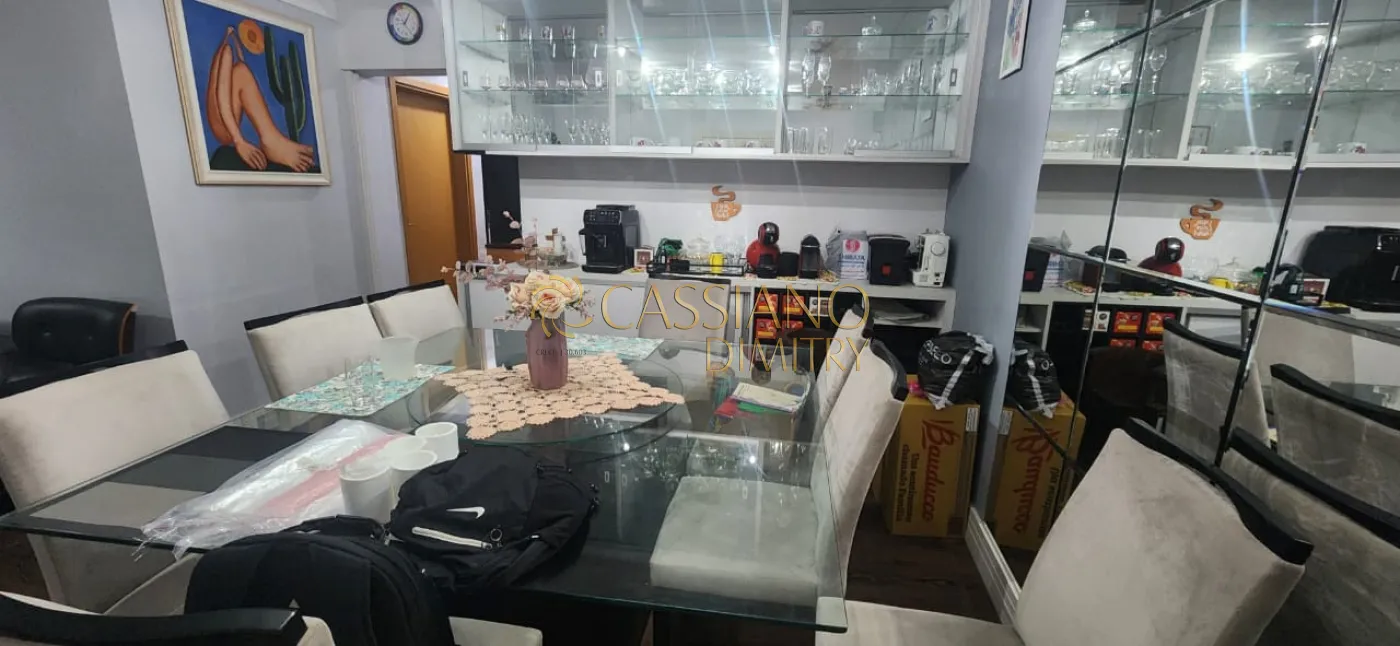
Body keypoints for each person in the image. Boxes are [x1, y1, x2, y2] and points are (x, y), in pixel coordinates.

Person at [205, 21, 315, 172]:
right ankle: (271, 140)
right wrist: (239, 142)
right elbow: (222, 97)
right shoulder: (228, 50)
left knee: (242, 71)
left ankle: (272, 139)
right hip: (224, 126)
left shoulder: (233, 46)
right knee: (242, 71)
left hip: (224, 121)